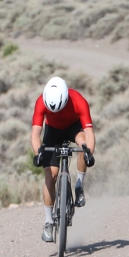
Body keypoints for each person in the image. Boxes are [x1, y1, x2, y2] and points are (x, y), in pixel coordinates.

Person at [30, 76, 96, 243]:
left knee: (83, 144)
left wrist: (89, 153)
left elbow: (89, 134)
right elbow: (36, 133)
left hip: (73, 128)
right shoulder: (41, 102)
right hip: (52, 132)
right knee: (50, 175)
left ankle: (79, 186)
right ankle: (48, 221)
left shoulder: (79, 101)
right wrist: (38, 153)